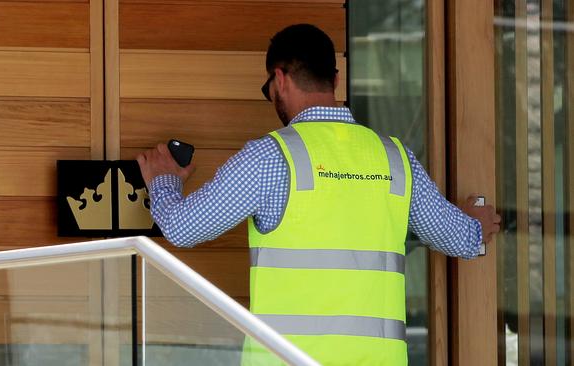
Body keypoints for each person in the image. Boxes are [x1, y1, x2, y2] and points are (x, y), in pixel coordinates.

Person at [136, 24, 501, 366]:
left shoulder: (271, 158)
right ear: (336, 80)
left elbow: (182, 228)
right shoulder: (394, 158)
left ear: (279, 79)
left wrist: (164, 181)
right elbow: (463, 239)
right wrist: (475, 220)